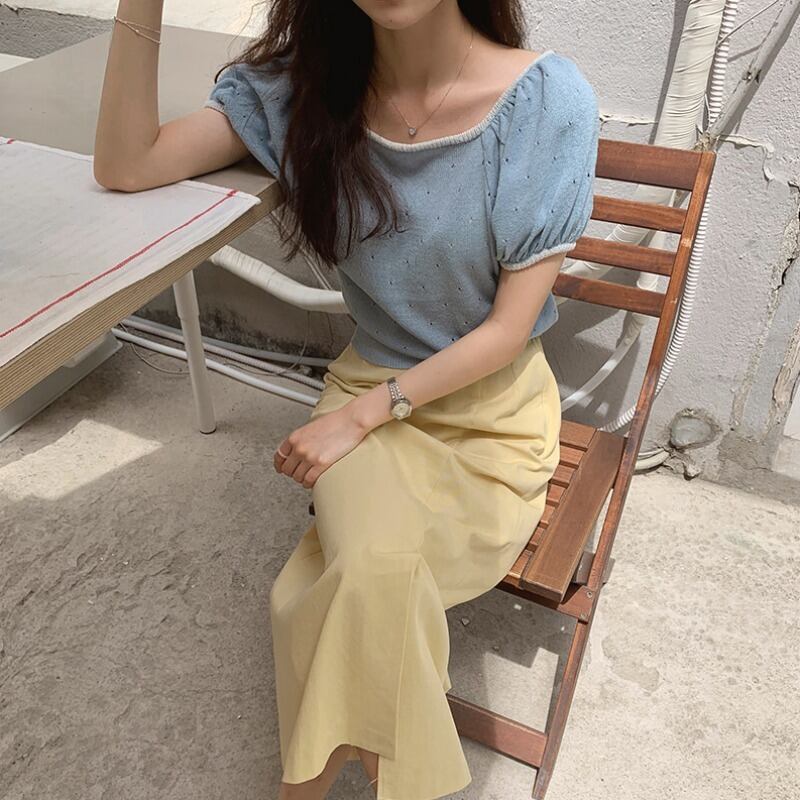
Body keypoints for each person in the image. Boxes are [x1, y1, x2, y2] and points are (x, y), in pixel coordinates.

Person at [95, 1, 600, 798]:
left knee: (328, 591)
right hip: (367, 389)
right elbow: (127, 164)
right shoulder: (305, 93)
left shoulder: (544, 102)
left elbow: (507, 331)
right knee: (371, 576)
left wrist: (365, 415)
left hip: (490, 419)